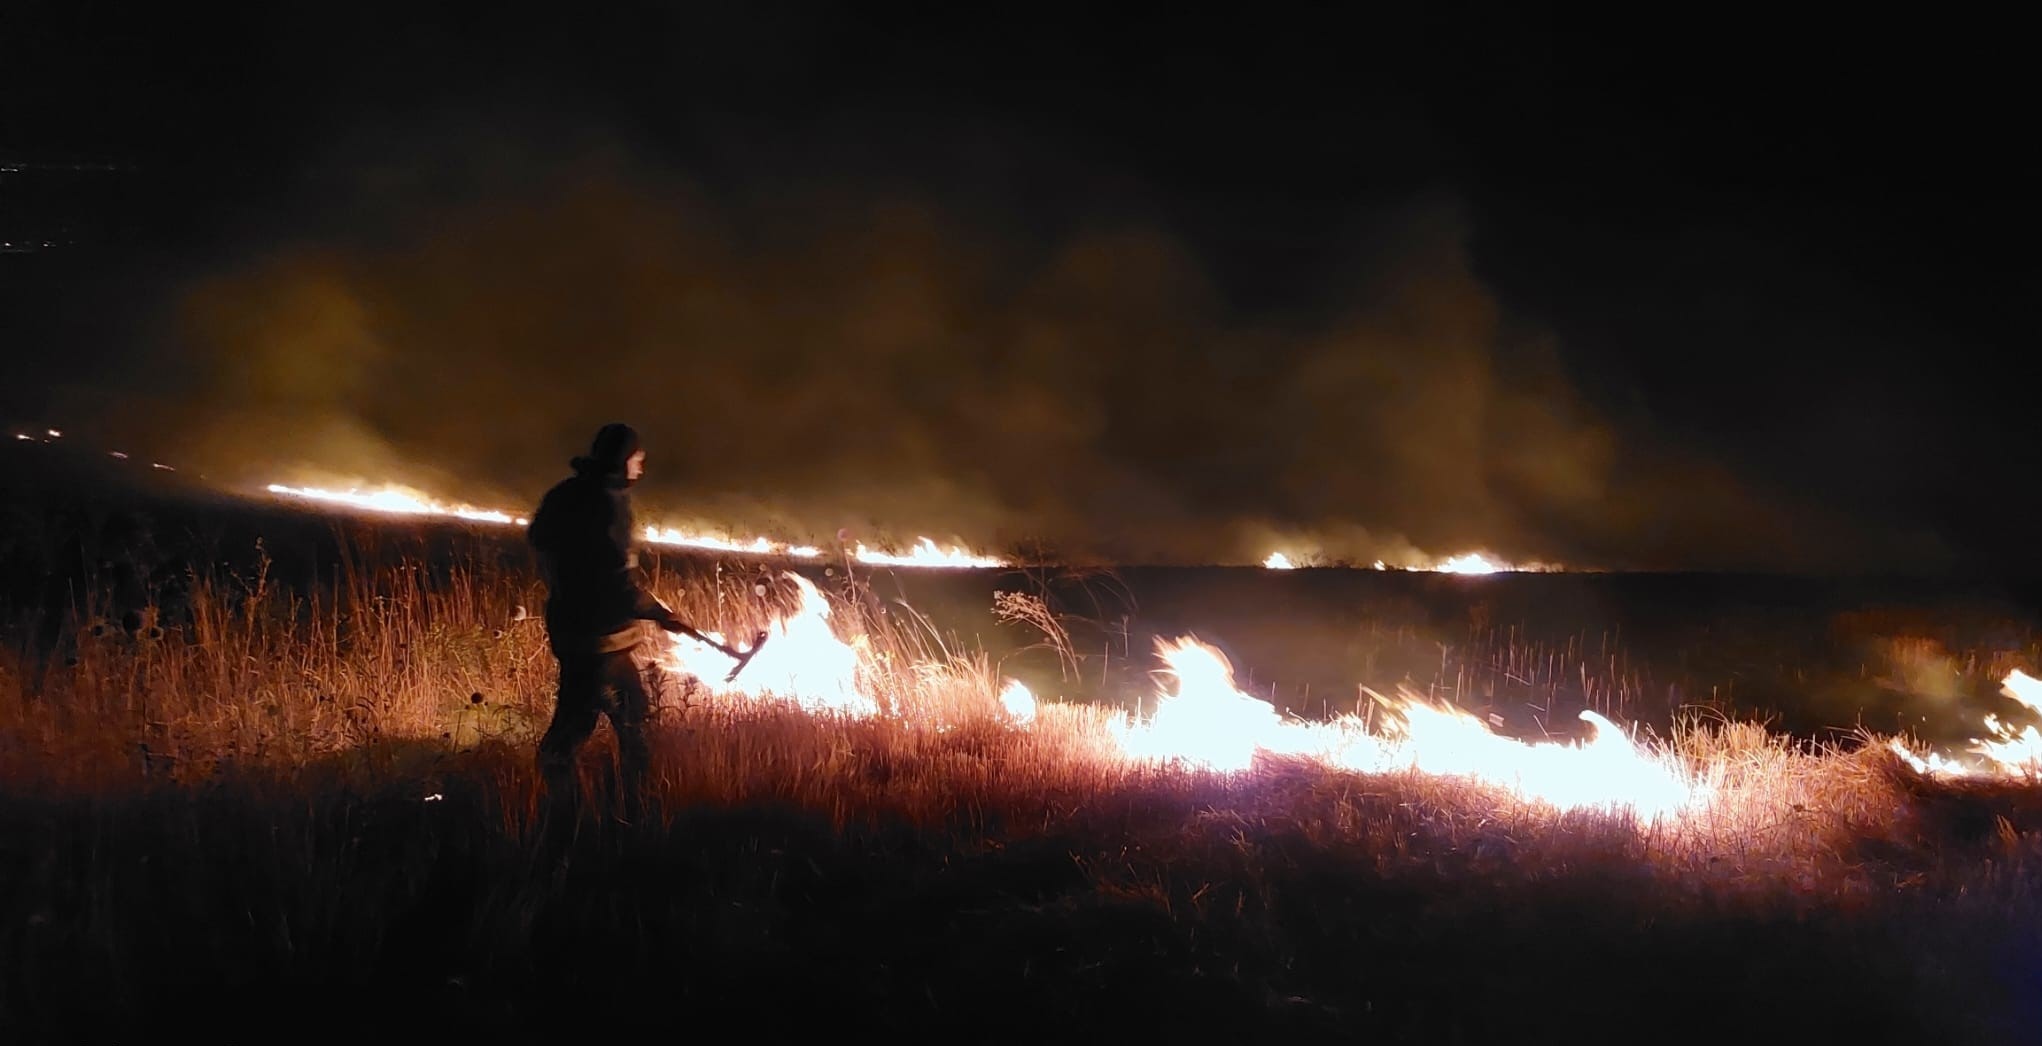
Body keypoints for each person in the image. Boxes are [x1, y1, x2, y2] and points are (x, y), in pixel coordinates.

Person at [526, 422, 690, 823]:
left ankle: (573, 802)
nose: (641, 468)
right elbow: (619, 581)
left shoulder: (565, 493)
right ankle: (617, 809)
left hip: (572, 630)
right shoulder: (610, 503)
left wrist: (565, 581)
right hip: (604, 640)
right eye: (638, 459)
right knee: (629, 727)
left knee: (585, 717)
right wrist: (659, 613)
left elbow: (538, 539)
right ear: (623, 459)